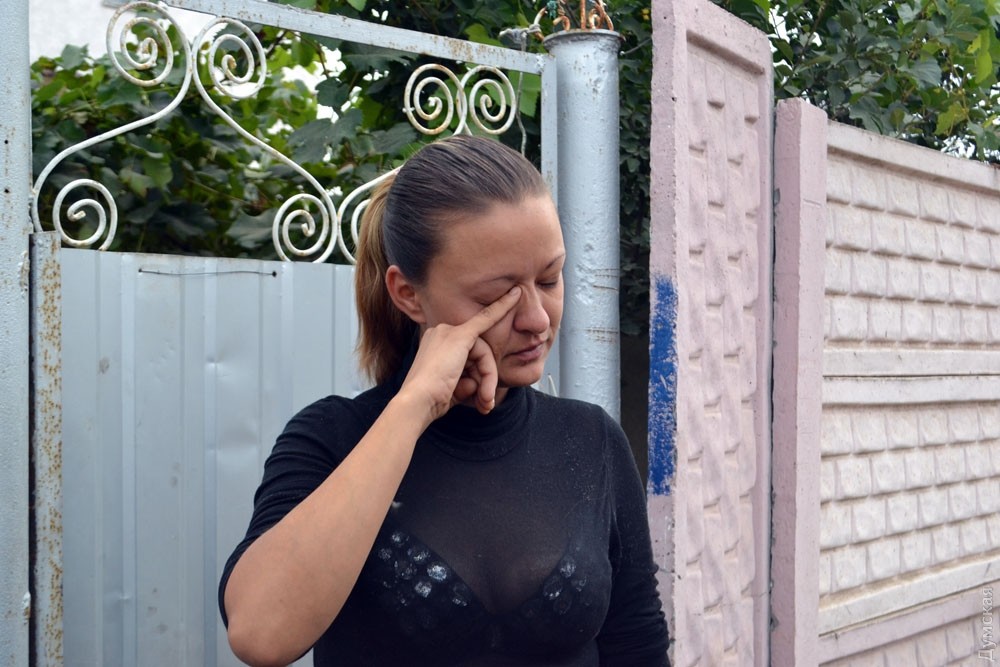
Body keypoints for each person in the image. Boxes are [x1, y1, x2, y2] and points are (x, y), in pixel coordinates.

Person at [219, 135, 670, 667]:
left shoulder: (590, 440)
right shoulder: (333, 438)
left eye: (550, 278)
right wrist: (412, 408)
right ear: (408, 294)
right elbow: (262, 634)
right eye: (496, 296)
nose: (537, 319)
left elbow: (636, 643)